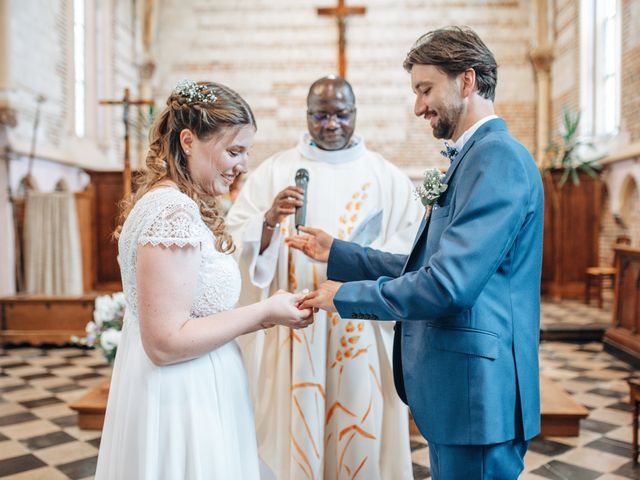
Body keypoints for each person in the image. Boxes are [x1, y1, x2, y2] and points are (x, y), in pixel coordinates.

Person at [291, 27, 544, 479]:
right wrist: (339, 254)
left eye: (425, 89)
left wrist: (346, 296)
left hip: (478, 398)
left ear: (466, 81)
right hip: (461, 395)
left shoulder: (497, 159)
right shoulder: (473, 158)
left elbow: (447, 285)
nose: (419, 106)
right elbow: (428, 265)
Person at [95, 80, 313, 480]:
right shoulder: (172, 211)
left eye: (246, 152)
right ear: (189, 140)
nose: (243, 166)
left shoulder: (172, 201)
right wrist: (265, 311)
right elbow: (165, 342)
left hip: (188, 389)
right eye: (234, 151)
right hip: (182, 400)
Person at [226, 75, 420, 480]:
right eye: (320, 115)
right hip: (296, 329)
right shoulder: (275, 171)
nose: (330, 124)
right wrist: (267, 222)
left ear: (355, 114)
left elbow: (410, 258)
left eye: (340, 114)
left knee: (357, 429)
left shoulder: (387, 178)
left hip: (361, 330)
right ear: (307, 116)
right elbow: (233, 242)